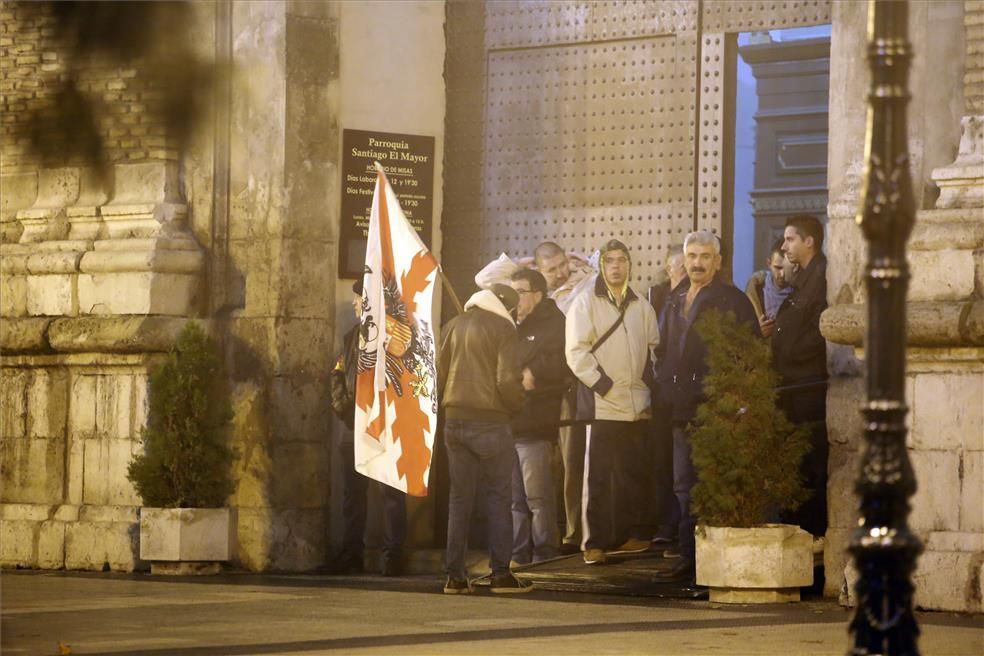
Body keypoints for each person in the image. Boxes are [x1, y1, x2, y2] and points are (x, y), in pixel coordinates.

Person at [657, 231, 759, 583]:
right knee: (683, 486)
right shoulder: (674, 298)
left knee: (715, 483)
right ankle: (689, 556)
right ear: (684, 259)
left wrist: (737, 401)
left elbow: (750, 354)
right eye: (692, 256)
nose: (697, 263)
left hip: (717, 408)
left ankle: (714, 558)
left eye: (704, 256)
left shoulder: (733, 301)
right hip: (679, 408)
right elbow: (663, 348)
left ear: (718, 261)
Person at [565, 239, 660, 566]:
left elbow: (654, 350)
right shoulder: (584, 303)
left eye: (621, 260)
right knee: (599, 478)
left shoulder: (643, 308)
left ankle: (632, 534)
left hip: (637, 407)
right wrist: (602, 384)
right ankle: (595, 543)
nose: (616, 266)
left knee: (632, 474)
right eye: (610, 261)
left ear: (629, 265)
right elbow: (576, 353)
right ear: (602, 266)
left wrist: (647, 388)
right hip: (602, 405)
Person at [438, 283, 533, 594]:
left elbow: (438, 375)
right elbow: (507, 379)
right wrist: (517, 405)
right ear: (505, 306)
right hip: (490, 422)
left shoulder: (452, 325)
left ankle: (455, 577)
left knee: (459, 500)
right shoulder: (503, 328)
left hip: (454, 421)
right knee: (499, 498)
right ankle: (501, 574)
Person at [328, 280, 407, 577]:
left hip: (386, 426)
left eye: (359, 298)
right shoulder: (351, 338)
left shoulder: (396, 338)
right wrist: (343, 407)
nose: (354, 303)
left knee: (391, 494)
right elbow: (337, 373)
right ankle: (351, 553)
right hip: (354, 427)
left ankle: (393, 555)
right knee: (353, 495)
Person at [532, 241, 594, 554]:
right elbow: (487, 278)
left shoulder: (581, 285)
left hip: (570, 386)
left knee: (572, 462)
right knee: (538, 463)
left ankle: (573, 532)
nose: (559, 273)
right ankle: (541, 537)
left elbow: (600, 276)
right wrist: (524, 262)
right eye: (551, 269)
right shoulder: (534, 294)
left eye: (561, 266)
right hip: (539, 392)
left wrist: (582, 262)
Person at [773, 215, 829, 539]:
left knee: (809, 467)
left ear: (810, 241)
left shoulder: (821, 277)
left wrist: (791, 351)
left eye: (791, 239)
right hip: (792, 386)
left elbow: (819, 329)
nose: (784, 246)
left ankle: (810, 536)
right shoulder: (802, 278)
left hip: (806, 387)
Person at [508, 268, 567, 565]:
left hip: (536, 423)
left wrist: (534, 372)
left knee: (538, 497)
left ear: (538, 295)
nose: (515, 298)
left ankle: (545, 552)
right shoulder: (508, 323)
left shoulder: (554, 323)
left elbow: (560, 364)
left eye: (520, 291)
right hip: (509, 424)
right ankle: (518, 553)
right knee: (515, 500)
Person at [647, 245, 686, 544]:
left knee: (681, 464)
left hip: (682, 392)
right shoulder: (657, 297)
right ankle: (664, 523)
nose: (685, 274)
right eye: (680, 269)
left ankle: (679, 526)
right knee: (661, 461)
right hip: (660, 393)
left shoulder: (693, 300)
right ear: (668, 269)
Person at [746, 238, 795, 337]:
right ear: (769, 264)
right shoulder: (756, 289)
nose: (782, 274)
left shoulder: (800, 292)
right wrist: (757, 332)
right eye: (777, 268)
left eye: (786, 268)